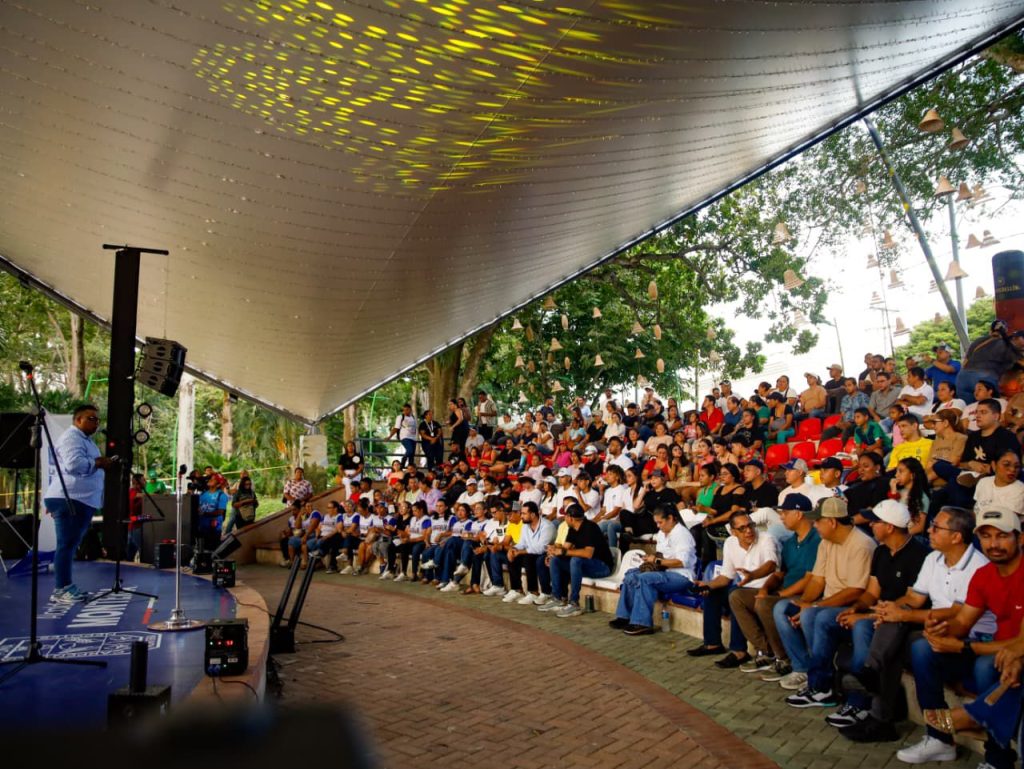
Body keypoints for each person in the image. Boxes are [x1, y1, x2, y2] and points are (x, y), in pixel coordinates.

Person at [838, 506, 992, 743]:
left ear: (956, 536)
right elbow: (914, 598)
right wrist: (890, 609)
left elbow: (957, 614)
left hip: (965, 633)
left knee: (903, 642)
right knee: (893, 629)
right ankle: (875, 689)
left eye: (936, 527)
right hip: (935, 625)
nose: (928, 530)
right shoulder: (934, 558)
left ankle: (884, 707)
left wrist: (901, 615)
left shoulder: (977, 566)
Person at [895, 507, 1024, 767]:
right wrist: (942, 631)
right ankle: (939, 739)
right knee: (923, 648)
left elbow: (1020, 642)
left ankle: (993, 750)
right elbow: (963, 621)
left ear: (1020, 538)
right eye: (986, 536)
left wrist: (963, 647)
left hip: (1007, 649)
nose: (993, 544)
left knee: (989, 665)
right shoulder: (984, 575)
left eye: (1002, 536)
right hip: (1000, 647)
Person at [819, 500, 928, 731]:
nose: (870, 525)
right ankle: (820, 684)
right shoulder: (881, 551)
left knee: (862, 627)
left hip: (904, 619)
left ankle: (861, 693)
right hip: (879, 612)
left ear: (889, 527)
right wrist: (857, 608)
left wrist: (867, 617)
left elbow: (911, 600)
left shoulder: (918, 555)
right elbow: (871, 592)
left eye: (875, 522)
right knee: (825, 617)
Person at [773, 498, 876, 702]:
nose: (815, 525)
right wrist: (803, 603)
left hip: (850, 606)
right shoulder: (826, 542)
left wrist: (813, 606)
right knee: (782, 608)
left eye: (818, 521)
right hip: (827, 602)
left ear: (832, 522)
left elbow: (855, 591)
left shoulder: (861, 544)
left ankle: (822, 684)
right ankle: (803, 668)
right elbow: (817, 580)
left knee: (813, 615)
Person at [688, 510, 779, 667]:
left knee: (735, 594)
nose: (748, 531)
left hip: (765, 589)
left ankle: (739, 651)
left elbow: (771, 564)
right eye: (742, 528)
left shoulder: (766, 539)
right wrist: (707, 585)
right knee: (712, 593)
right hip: (743, 587)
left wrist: (753, 575)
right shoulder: (730, 543)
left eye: (750, 525)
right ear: (733, 531)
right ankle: (713, 644)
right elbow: (726, 577)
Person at [45, 405, 116, 602]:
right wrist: (98, 463)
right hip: (70, 497)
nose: (96, 423)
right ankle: (61, 589)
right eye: (91, 418)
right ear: (78, 420)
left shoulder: (85, 440)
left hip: (79, 498)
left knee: (70, 544)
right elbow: (74, 464)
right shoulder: (72, 437)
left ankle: (65, 586)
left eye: (97, 419)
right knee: (66, 544)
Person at [610, 506, 697, 635]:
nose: (658, 526)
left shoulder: (682, 534)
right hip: (664, 572)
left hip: (682, 576)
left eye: (660, 522)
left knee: (645, 579)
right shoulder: (662, 533)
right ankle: (624, 617)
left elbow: (681, 562)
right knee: (631, 574)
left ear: (670, 518)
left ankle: (642, 623)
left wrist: (656, 561)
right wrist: (650, 559)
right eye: (656, 522)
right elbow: (661, 555)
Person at [536, 503, 614, 617]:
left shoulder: (590, 527)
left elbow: (588, 553)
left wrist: (563, 552)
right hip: (586, 565)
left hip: (602, 566)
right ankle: (557, 598)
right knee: (556, 560)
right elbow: (565, 548)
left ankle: (574, 603)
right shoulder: (572, 528)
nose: (564, 518)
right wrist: (554, 552)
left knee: (576, 560)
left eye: (565, 516)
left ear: (570, 518)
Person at [957, 319, 1021, 405]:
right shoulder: (1006, 345)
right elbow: (1016, 364)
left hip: (962, 378)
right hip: (984, 378)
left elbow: (965, 362)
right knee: (990, 407)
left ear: (990, 330)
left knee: (969, 409)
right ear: (1006, 331)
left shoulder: (977, 341)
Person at [197, 474, 229, 551]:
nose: (210, 480)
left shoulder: (222, 495)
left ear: (218, 484)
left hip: (214, 529)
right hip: (202, 527)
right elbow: (198, 507)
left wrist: (204, 513)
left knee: (213, 550)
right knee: (201, 549)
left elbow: (220, 511)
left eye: (213, 479)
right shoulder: (203, 494)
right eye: (210, 478)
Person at [126, 472, 145, 563]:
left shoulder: (138, 493)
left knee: (130, 552)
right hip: (134, 526)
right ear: (137, 482)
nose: (145, 482)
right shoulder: (133, 492)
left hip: (134, 526)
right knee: (142, 549)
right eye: (143, 480)